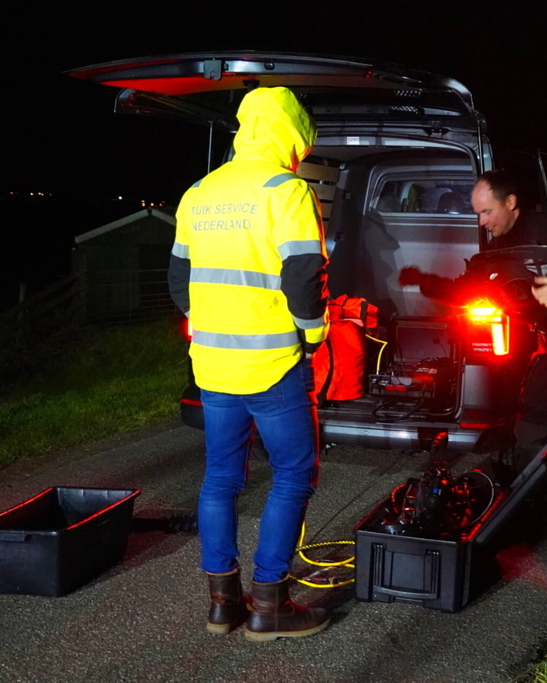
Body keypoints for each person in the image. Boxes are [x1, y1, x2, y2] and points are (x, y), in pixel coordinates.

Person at [167, 86, 331, 641]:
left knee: (219, 480)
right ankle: (270, 604)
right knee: (292, 475)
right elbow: (304, 277)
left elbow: (178, 281)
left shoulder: (198, 191)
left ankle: (222, 603)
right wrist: (313, 336)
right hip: (274, 365)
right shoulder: (286, 191)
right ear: (291, 133)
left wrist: (212, 321)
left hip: (212, 364)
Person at [399, 170, 547, 484]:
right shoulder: (494, 251)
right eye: (478, 213)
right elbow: (462, 289)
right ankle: (529, 494)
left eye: (487, 212)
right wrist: (422, 280)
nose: (482, 222)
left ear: (511, 202)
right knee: (530, 429)